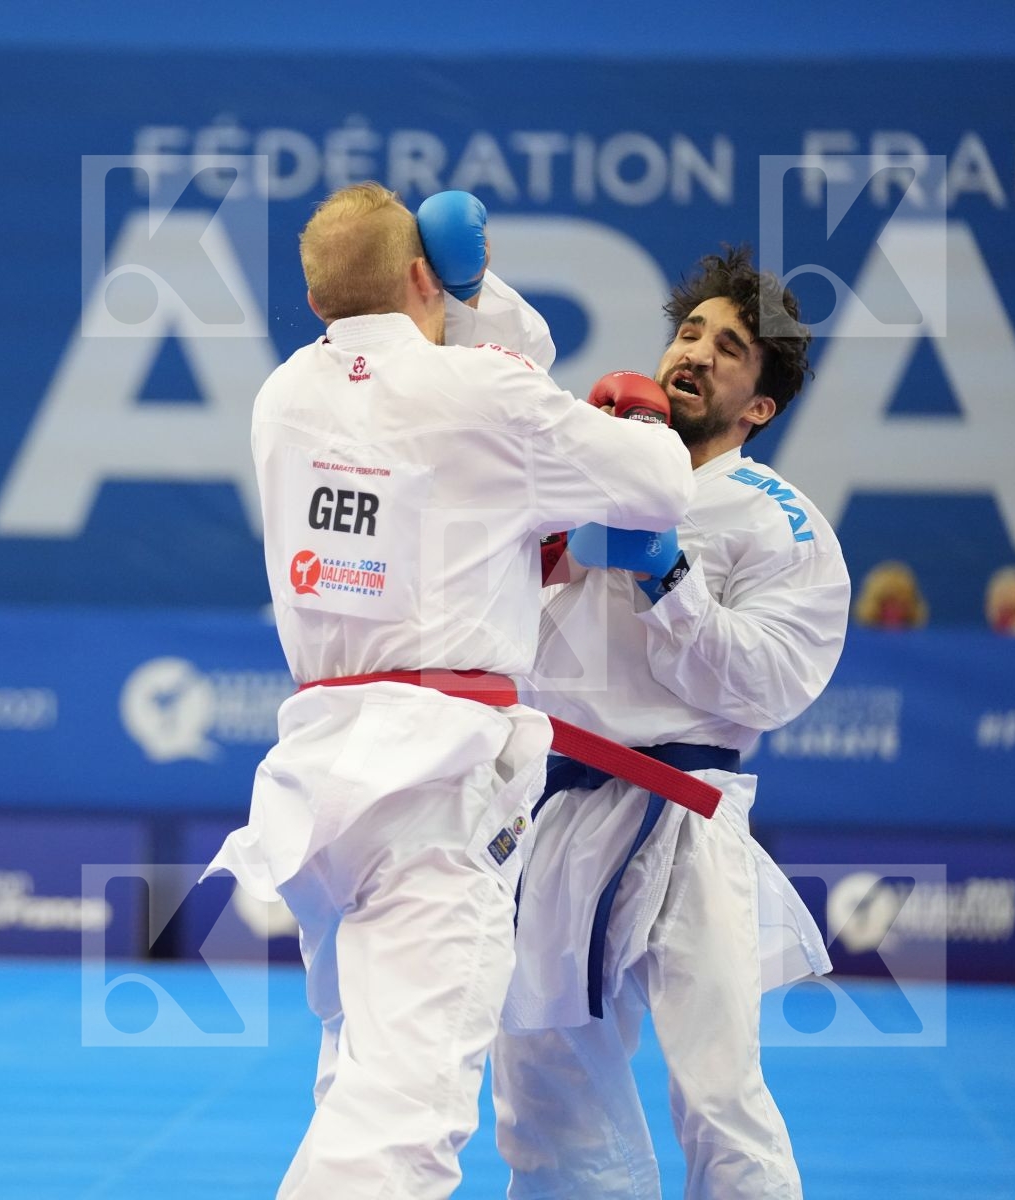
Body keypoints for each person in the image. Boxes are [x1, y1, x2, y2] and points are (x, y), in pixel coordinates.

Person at [206, 184, 695, 1200]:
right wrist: (641, 417)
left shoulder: (284, 399)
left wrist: (529, 548)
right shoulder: (479, 390)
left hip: (320, 779)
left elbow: (440, 501)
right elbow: (656, 486)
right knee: (409, 1113)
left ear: (313, 302)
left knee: (357, 1079)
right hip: (437, 782)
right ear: (428, 276)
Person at [494, 246, 851, 1199]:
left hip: (687, 815)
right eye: (689, 333)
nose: (695, 354)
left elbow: (776, 683)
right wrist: (533, 554)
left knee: (719, 1092)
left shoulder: (779, 521)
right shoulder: (577, 469)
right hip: (556, 809)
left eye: (729, 349)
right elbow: (487, 618)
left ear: (759, 407)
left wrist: (672, 579)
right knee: (542, 1090)